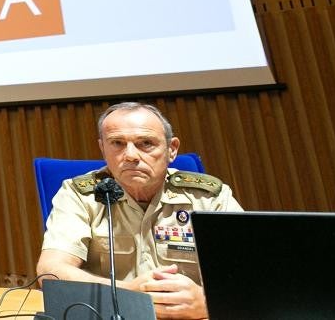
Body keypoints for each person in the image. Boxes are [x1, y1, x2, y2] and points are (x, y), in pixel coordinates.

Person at [37, 102, 242, 319]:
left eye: (145, 143)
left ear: (171, 149)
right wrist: (127, 293)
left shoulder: (208, 196)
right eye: (117, 143)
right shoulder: (80, 195)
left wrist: (208, 303)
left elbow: (255, 271)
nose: (131, 155)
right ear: (103, 149)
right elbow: (51, 271)